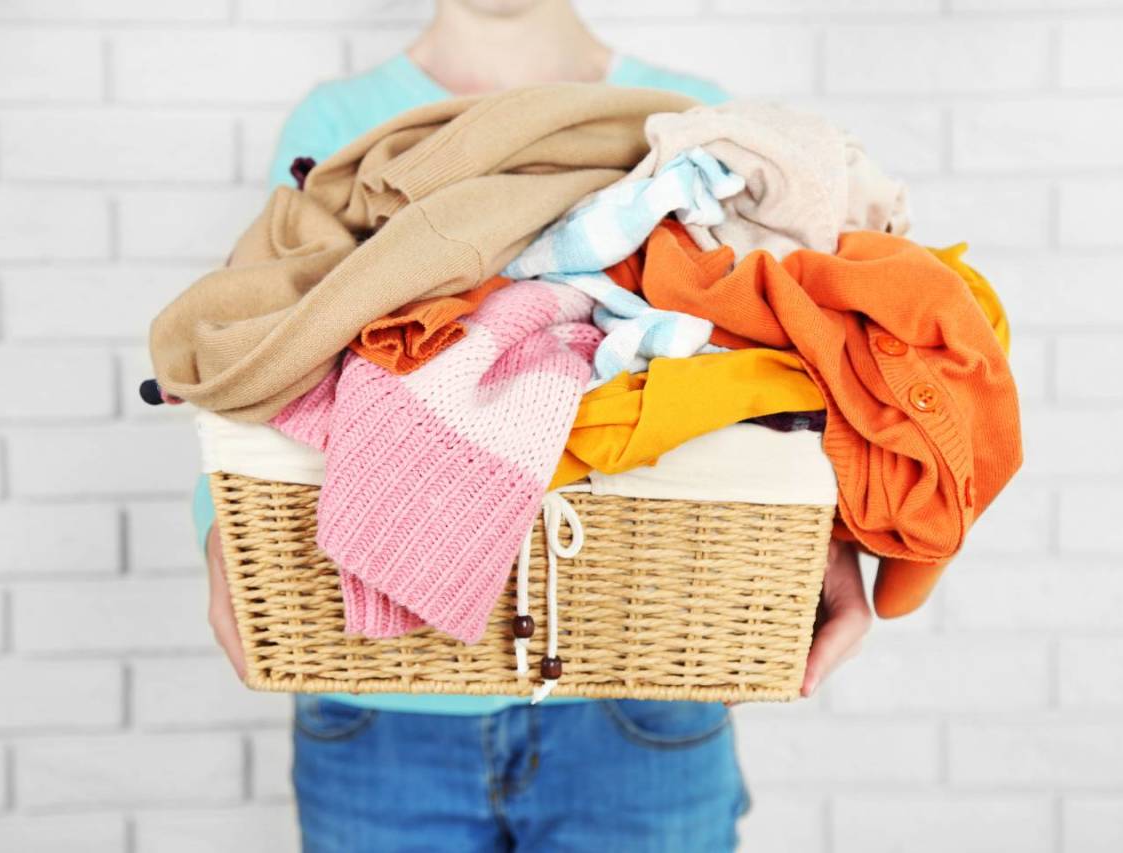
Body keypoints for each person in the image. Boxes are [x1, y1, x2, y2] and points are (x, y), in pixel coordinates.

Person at [194, 1, 873, 849]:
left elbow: (783, 375)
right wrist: (224, 532)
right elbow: (262, 360)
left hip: (641, 698)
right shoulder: (335, 121)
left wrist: (831, 530)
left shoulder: (691, 117)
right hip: (382, 708)